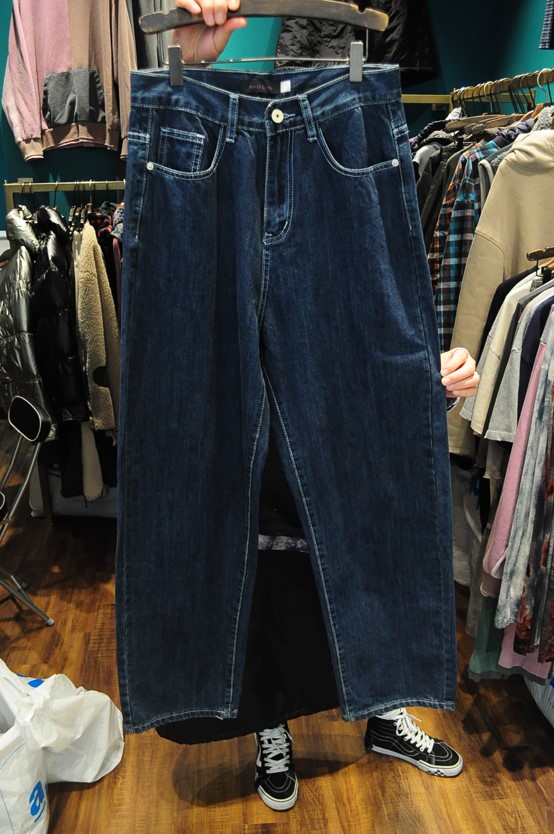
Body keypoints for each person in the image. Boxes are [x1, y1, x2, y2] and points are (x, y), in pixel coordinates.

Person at [163, 0, 481, 811]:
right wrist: (188, 70)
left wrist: (416, 374)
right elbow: (188, 314)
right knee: (259, 552)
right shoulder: (205, 124)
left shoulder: (369, 132)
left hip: (342, 135)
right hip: (205, 130)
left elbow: (376, 298)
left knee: (361, 532)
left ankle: (383, 708)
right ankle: (267, 722)